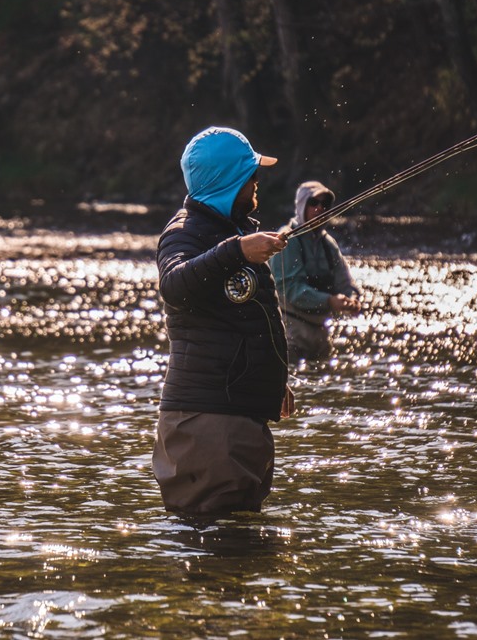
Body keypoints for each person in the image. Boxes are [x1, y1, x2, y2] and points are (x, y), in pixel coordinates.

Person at [153, 126, 293, 517]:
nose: (256, 184)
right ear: (230, 180)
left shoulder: (232, 230)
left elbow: (251, 317)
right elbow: (174, 285)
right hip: (206, 424)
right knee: (220, 553)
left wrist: (272, 381)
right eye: (250, 176)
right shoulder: (184, 233)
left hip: (234, 419)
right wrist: (237, 251)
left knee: (241, 555)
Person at [271, 180, 362, 361]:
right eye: (314, 203)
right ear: (301, 206)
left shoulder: (328, 244)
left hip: (321, 333)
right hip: (290, 333)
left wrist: (353, 300)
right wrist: (330, 301)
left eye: (325, 204)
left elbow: (345, 282)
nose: (320, 208)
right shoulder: (286, 240)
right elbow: (291, 290)